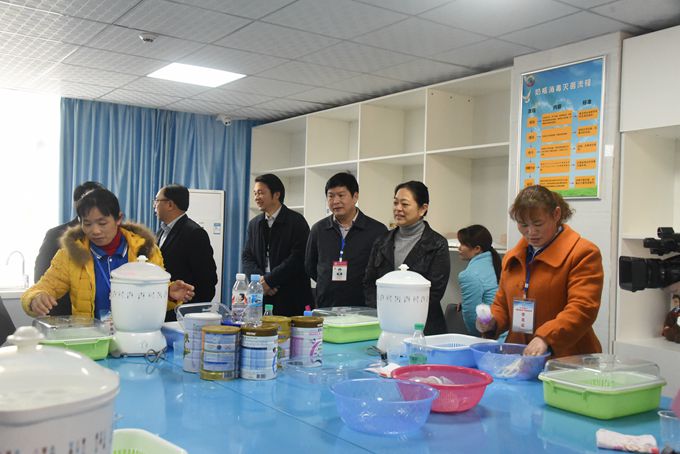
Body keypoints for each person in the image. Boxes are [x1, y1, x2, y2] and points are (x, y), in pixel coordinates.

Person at [22, 188, 195, 319]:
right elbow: (41, 288)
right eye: (87, 224)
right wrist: (35, 298)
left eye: (102, 223)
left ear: (118, 218)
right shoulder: (71, 255)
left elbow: (153, 297)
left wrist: (169, 293)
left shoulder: (146, 250)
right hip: (91, 342)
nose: (95, 231)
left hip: (134, 339)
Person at [476, 185, 604, 357]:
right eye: (523, 225)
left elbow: (582, 309)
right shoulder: (513, 257)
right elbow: (502, 306)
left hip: (567, 359)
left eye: (538, 224)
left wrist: (546, 338)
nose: (531, 232)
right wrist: (491, 321)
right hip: (522, 356)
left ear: (556, 214)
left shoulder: (582, 253)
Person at [364, 181, 450, 335]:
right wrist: (382, 312)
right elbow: (370, 282)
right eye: (395, 203)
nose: (398, 208)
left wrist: (403, 315)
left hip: (423, 328)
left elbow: (435, 292)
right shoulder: (382, 241)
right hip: (386, 325)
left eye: (404, 204)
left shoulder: (436, 244)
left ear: (423, 209)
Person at [305, 172, 387, 308]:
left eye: (341, 195)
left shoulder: (376, 230)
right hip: (327, 305)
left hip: (363, 306)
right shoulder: (318, 229)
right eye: (331, 196)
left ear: (355, 196)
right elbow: (310, 266)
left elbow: (382, 270)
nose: (335, 201)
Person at [241, 174, 312, 316]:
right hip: (263, 295)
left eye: (261, 193)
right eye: (255, 193)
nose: (256, 197)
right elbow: (247, 257)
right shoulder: (254, 224)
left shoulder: (296, 221)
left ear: (276, 194)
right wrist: (260, 283)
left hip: (291, 295)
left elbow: (298, 258)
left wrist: (270, 281)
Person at [34, 181, 104, 315]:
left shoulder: (115, 234)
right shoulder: (56, 234)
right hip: (65, 313)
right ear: (77, 204)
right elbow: (41, 276)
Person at [155, 184, 218, 321]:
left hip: (182, 315)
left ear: (170, 204)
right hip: (161, 309)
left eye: (157, 200)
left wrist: (189, 312)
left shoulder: (194, 233)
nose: (154, 205)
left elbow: (207, 280)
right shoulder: (160, 232)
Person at [457, 224, 501, 336]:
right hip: (501, 330)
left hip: (488, 335)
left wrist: (476, 339)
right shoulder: (493, 263)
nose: (459, 248)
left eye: (463, 244)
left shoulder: (469, 275)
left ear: (477, 249)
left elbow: (471, 316)